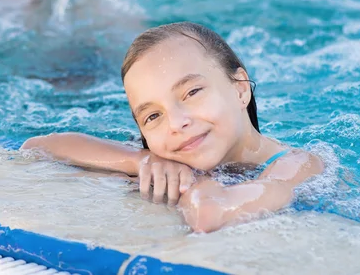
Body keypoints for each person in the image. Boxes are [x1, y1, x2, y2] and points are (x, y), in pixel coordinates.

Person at [21, 22, 324, 232]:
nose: (177, 123)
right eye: (153, 117)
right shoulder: (161, 156)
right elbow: (37, 147)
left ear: (240, 89)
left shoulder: (300, 163)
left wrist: (199, 184)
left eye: (192, 93)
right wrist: (140, 159)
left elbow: (210, 214)